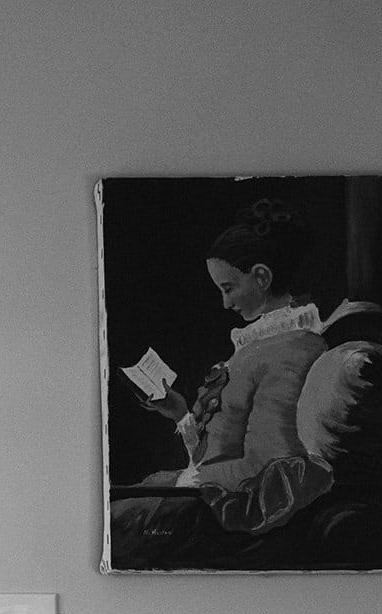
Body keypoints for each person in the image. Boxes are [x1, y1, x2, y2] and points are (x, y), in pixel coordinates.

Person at [111, 198, 332, 567]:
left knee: (118, 522)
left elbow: (267, 465)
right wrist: (180, 412)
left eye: (229, 287)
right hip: (209, 492)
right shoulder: (259, 344)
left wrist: (186, 483)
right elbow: (222, 450)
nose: (225, 303)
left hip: (224, 510)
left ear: (261, 277)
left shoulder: (293, 351)